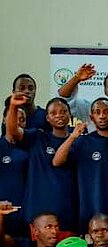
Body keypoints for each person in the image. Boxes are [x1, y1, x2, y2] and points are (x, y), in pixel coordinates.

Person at [52, 97, 108, 240]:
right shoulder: (82, 142)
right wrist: (72, 137)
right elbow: (57, 161)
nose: (102, 116)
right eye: (97, 112)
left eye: (107, 112)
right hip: (91, 219)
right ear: (91, 117)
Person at [5, 94, 79, 234]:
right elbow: (13, 132)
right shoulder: (37, 138)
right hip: (36, 214)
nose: (59, 115)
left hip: (68, 215)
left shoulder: (79, 141)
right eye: (53, 113)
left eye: (63, 111)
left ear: (70, 115)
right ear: (47, 118)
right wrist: (13, 106)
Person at [0, 99, 29, 237]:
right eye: (15, 118)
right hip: (2, 213)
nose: (18, 123)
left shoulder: (33, 149)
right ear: (5, 120)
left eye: (22, 120)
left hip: (26, 216)